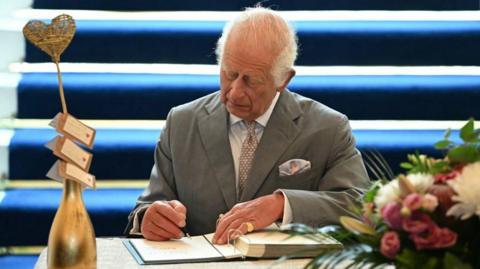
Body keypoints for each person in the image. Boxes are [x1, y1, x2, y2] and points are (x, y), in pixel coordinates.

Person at [125, 6, 369, 245]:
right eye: (229, 74)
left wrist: (281, 204)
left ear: (283, 79)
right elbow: (148, 206)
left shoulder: (328, 128)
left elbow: (359, 206)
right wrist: (148, 219)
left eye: (251, 81)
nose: (235, 93)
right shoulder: (182, 122)